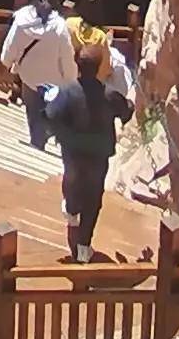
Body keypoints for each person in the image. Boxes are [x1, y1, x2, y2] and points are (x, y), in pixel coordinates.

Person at [52, 26, 129, 262]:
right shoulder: (110, 95)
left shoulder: (66, 92)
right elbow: (125, 113)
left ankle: (72, 210)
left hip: (73, 151)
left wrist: (61, 133)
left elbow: (51, 115)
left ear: (77, 64)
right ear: (98, 67)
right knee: (94, 197)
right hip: (98, 154)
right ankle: (84, 246)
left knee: (72, 180)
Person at [0, 0, 77, 155]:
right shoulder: (59, 27)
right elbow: (67, 57)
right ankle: (45, 135)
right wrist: (70, 79)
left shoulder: (22, 18)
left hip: (29, 77)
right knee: (50, 111)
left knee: (33, 112)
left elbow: (11, 45)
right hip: (52, 80)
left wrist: (7, 61)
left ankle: (37, 143)